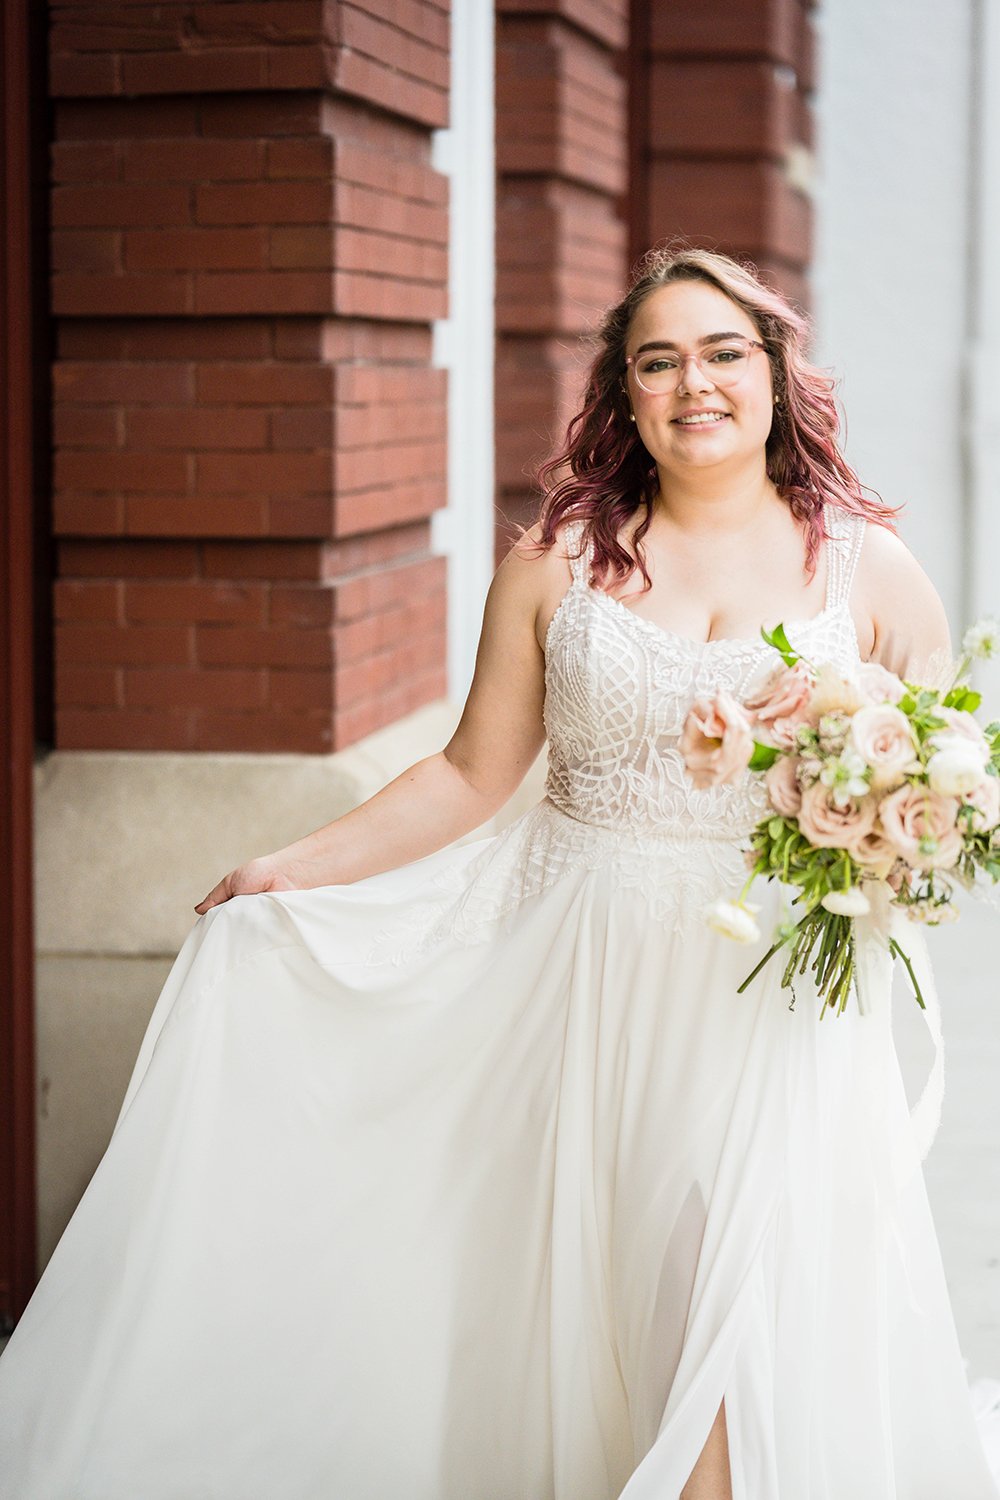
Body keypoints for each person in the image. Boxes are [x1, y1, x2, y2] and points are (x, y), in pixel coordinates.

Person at [0, 244, 996, 1500]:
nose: (696, 382)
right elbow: (472, 773)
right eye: (659, 360)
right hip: (576, 984)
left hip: (768, 1013)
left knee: (735, 1318)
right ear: (624, 395)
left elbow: (933, 808)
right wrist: (289, 868)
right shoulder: (554, 566)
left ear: (778, 373)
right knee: (603, 1314)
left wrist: (869, 812)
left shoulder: (871, 573)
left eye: (724, 352)